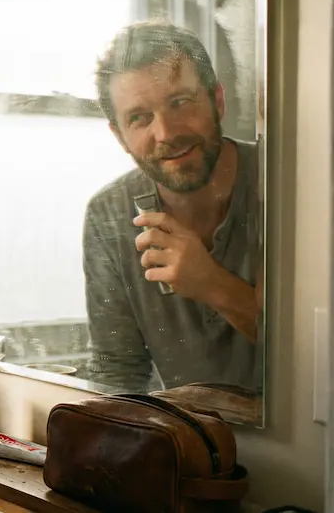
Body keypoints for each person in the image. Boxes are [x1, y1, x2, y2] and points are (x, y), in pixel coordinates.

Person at [82, 21, 261, 393]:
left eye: (180, 102)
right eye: (140, 117)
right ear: (120, 136)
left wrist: (212, 283)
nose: (166, 132)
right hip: (182, 442)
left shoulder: (287, 187)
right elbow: (117, 374)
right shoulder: (109, 214)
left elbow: (328, 355)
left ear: (218, 100)